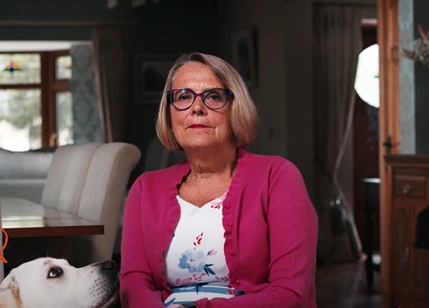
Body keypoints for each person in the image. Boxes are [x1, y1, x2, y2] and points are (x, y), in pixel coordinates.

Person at [120, 52, 318, 308]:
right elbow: (134, 281)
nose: (197, 108)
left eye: (213, 96)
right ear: (169, 114)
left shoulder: (277, 177)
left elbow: (290, 292)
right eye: (183, 97)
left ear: (236, 108)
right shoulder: (145, 188)